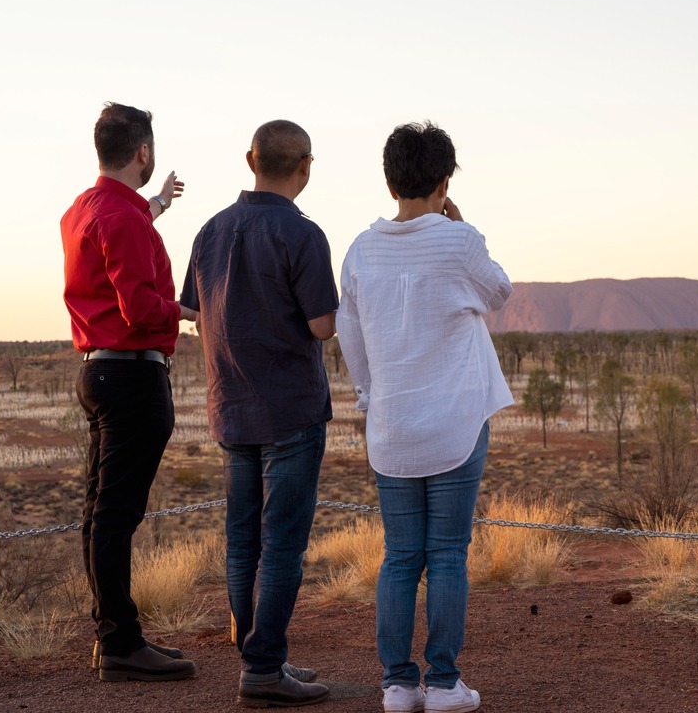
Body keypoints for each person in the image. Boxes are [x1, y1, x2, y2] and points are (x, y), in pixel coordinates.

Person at [336, 121, 513, 713]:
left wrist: (369, 397)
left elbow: (350, 334)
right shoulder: (460, 242)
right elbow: (499, 293)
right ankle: (442, 684)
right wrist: (458, 228)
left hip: (392, 425)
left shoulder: (361, 249)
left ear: (390, 182)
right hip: (456, 424)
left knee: (399, 555)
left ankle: (396, 684)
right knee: (447, 555)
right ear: (444, 181)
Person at [181, 120, 337, 708]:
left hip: (230, 407)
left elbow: (193, 312)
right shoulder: (303, 235)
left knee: (242, 539)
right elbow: (322, 324)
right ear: (306, 166)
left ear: (251, 160)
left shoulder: (211, 231)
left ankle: (258, 655)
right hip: (289, 411)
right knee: (283, 545)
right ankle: (264, 666)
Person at [61, 102, 198, 682]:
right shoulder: (121, 219)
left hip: (98, 370)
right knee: (116, 515)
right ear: (142, 151)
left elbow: (126, 228)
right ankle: (119, 641)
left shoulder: (84, 210)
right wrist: (189, 312)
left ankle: (117, 632)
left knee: (101, 511)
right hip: (133, 376)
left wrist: (159, 204)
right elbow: (140, 307)